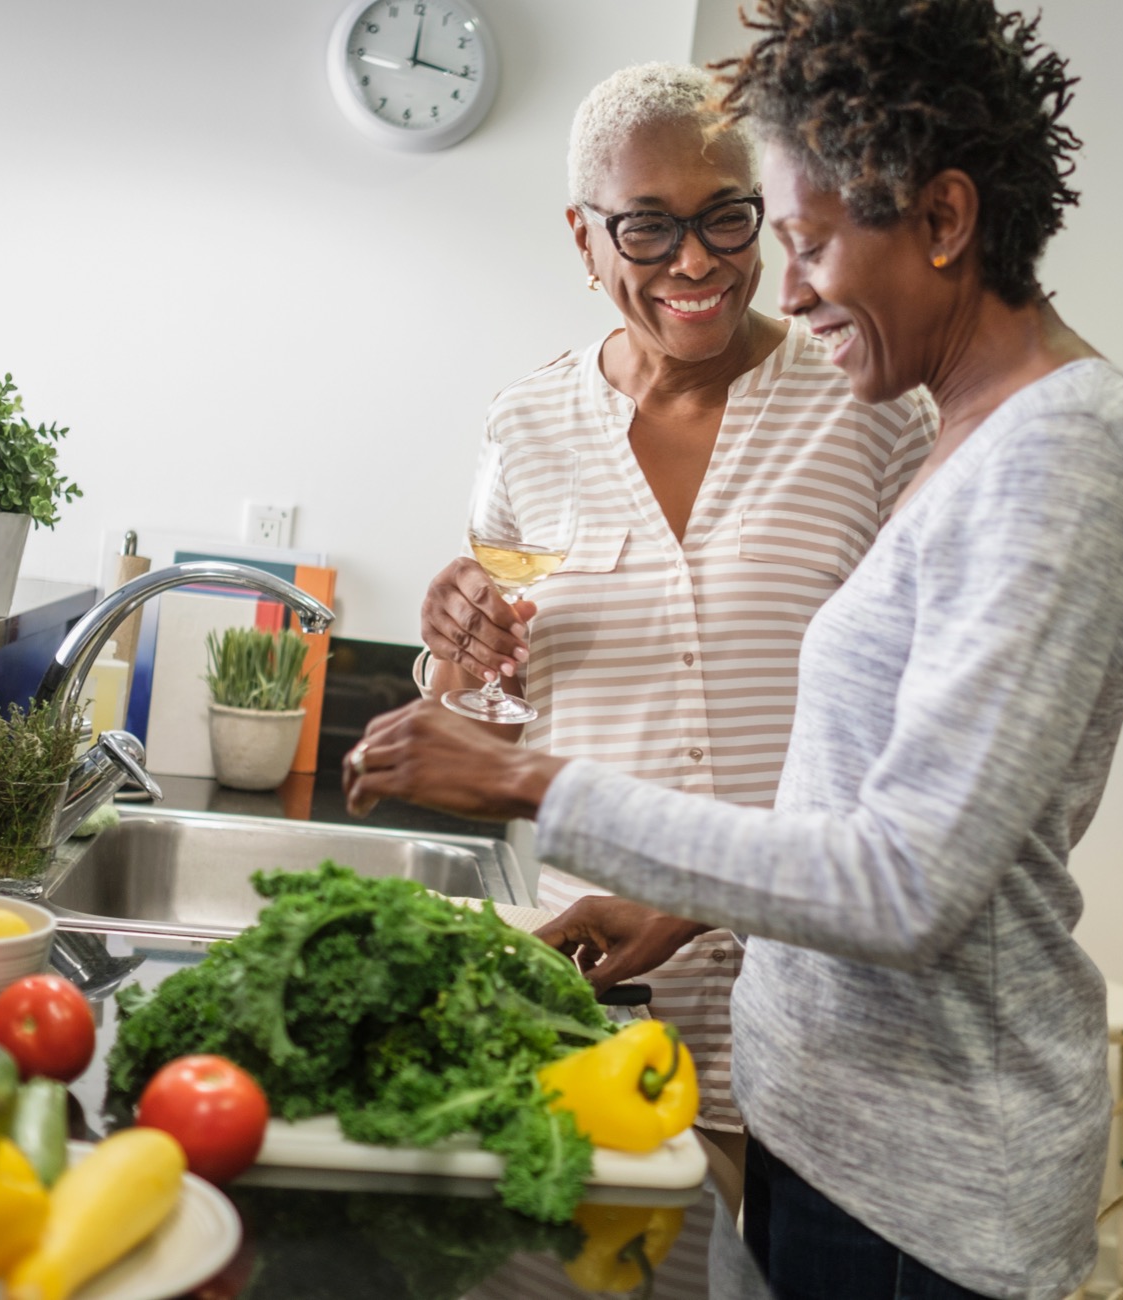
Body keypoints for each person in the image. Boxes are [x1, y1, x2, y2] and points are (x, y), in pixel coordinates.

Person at [349, 3, 1123, 1296]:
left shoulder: (1057, 450)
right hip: (829, 1127)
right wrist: (674, 902)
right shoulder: (970, 427)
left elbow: (908, 882)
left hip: (927, 1175)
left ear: (945, 221)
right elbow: (865, 781)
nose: (778, 288)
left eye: (793, 239)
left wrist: (530, 785)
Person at [414, 61, 935, 1187]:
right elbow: (492, 719)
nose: (693, 262)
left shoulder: (872, 405)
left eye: (724, 219)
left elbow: (919, 727)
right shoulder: (527, 425)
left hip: (814, 1013)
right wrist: (457, 655)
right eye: (646, 229)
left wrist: (707, 890)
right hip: (594, 1003)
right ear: (582, 236)